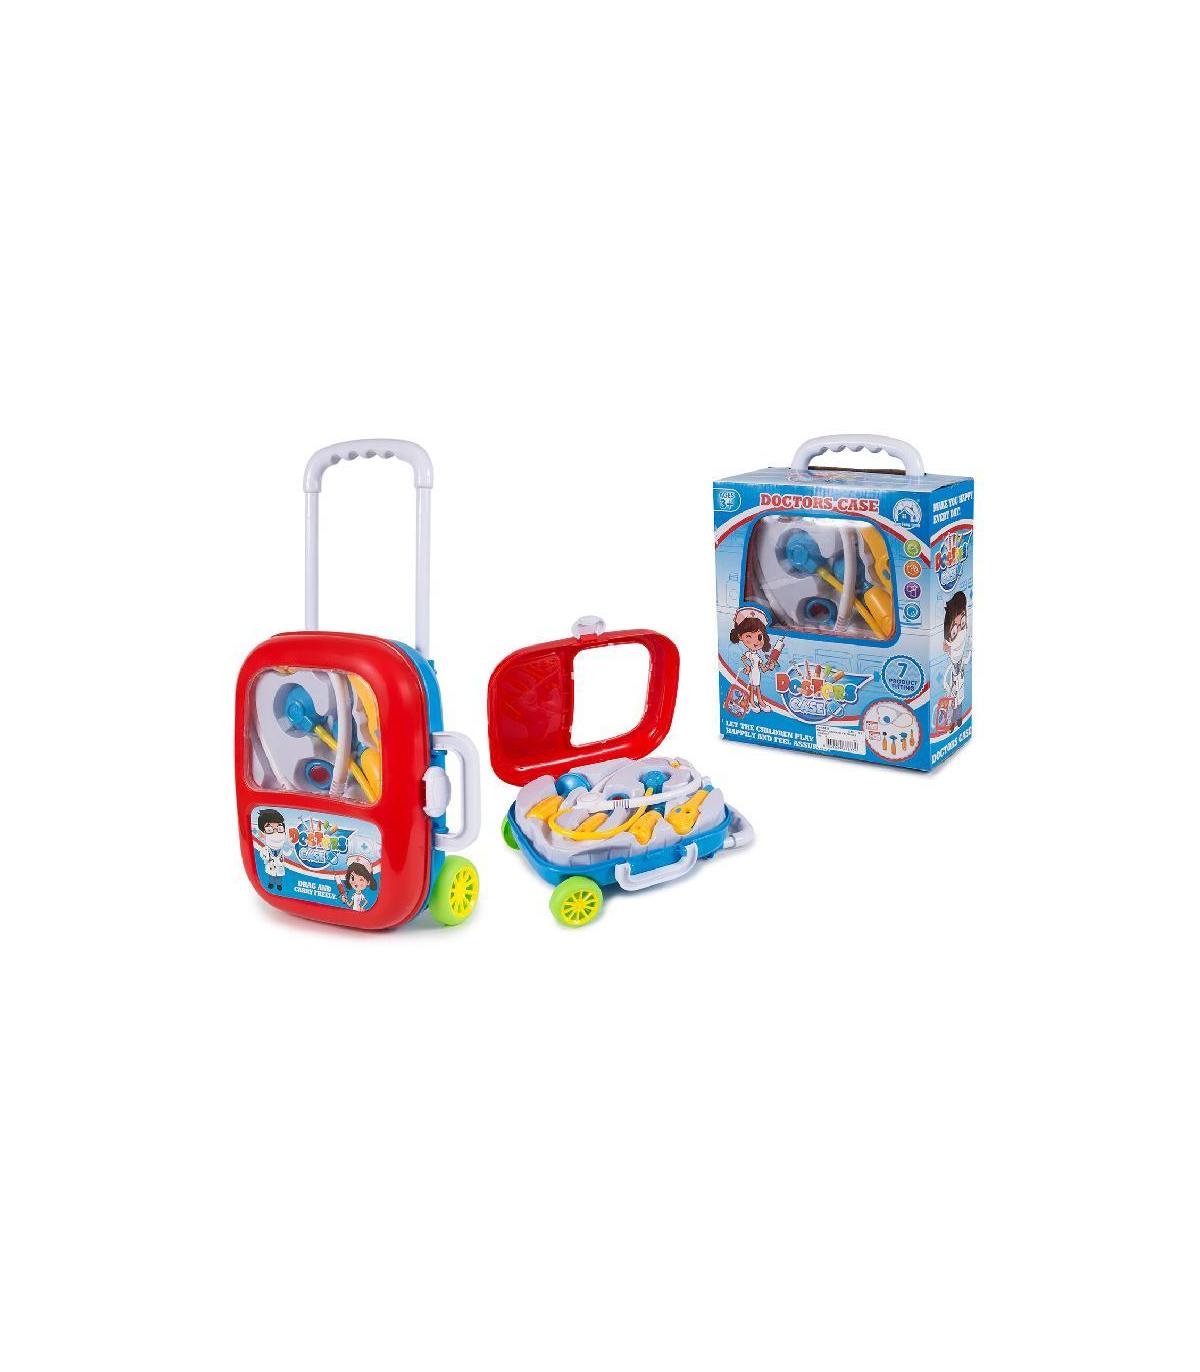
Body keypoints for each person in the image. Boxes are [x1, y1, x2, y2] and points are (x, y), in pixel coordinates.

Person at [730, 608, 776, 713]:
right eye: (749, 636)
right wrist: (747, 666)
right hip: (752, 672)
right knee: (752, 687)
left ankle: (760, 702)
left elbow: (762, 668)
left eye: (759, 636)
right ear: (740, 636)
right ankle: (751, 701)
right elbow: (743, 658)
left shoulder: (757, 656)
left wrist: (769, 667)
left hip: (757, 672)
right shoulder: (749, 654)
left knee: (758, 687)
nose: (755, 641)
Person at [942, 591, 971, 727]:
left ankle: (957, 720)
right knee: (954, 700)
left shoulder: (962, 658)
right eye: (954, 632)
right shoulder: (948, 664)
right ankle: (952, 722)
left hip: (959, 686)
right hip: (951, 691)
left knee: (959, 699)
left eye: (963, 624)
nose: (959, 633)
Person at [256, 808, 289, 892]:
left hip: (280, 866)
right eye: (269, 830)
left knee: (279, 876)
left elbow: (287, 853)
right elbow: (262, 855)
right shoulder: (265, 849)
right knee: (271, 875)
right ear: (262, 833)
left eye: (279, 828)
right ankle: (271, 883)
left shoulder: (282, 848)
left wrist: (291, 846)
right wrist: (267, 859)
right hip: (271, 866)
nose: (276, 833)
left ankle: (279, 885)